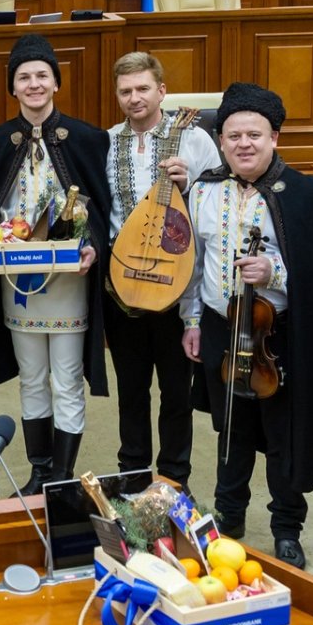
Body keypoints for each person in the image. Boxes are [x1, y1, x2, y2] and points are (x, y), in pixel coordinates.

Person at [178, 83, 313, 571]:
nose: (243, 144)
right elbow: (193, 263)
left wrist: (275, 273)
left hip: (281, 331)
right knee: (231, 425)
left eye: (254, 135)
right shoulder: (202, 190)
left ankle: (286, 527)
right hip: (220, 325)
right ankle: (229, 515)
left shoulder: (309, 195)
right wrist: (191, 320)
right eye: (233, 136)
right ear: (221, 141)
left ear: (274, 138)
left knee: (282, 432)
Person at [0, 34, 111, 494]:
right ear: (12, 87)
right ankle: (39, 470)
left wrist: (92, 245)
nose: (33, 84)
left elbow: (102, 208)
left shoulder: (87, 138)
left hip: (69, 280)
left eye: (41, 76)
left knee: (67, 378)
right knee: (32, 377)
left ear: (56, 83)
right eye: (23, 77)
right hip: (16, 278)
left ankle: (63, 478)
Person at [103, 51, 220, 493]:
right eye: (125, 91)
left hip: (177, 283)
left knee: (176, 391)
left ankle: (174, 478)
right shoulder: (107, 141)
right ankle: (133, 474)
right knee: (131, 388)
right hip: (123, 285)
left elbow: (216, 202)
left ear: (162, 91)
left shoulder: (194, 139)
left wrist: (189, 185)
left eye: (143, 88)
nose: (134, 98)